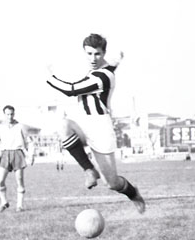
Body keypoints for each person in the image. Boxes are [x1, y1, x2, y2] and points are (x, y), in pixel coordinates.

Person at [46, 33, 145, 213]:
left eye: (97, 54)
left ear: (104, 53)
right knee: (63, 126)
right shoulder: (102, 69)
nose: (93, 58)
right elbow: (112, 64)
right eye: (89, 53)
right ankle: (89, 170)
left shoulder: (104, 76)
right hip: (84, 124)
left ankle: (133, 193)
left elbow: (71, 90)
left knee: (112, 183)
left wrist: (50, 76)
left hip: (101, 129)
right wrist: (118, 60)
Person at [0, 105, 29, 212]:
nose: (10, 116)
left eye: (11, 114)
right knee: (0, 180)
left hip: (17, 153)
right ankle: (4, 202)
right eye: (7, 114)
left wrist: (31, 155)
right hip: (5, 154)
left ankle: (20, 206)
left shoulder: (20, 126)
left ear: (14, 114)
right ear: (4, 114)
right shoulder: (0, 127)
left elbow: (28, 141)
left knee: (19, 180)